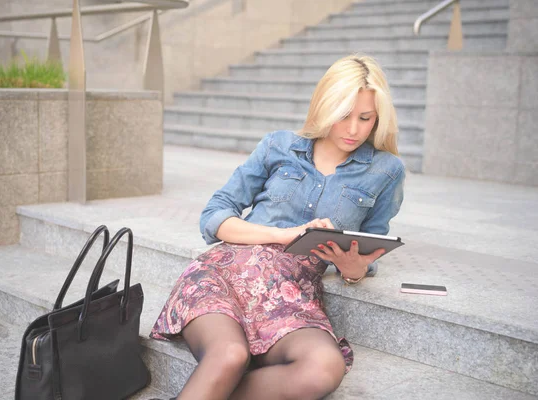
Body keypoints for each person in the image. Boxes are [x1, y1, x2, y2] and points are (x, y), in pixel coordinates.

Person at [150, 54, 405, 400]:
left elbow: (370, 247)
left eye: (365, 118)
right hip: (224, 275)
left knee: (323, 367)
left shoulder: (386, 171)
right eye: (344, 115)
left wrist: (354, 269)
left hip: (291, 296)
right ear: (324, 106)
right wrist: (283, 235)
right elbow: (214, 215)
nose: (353, 129)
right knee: (229, 355)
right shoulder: (278, 146)